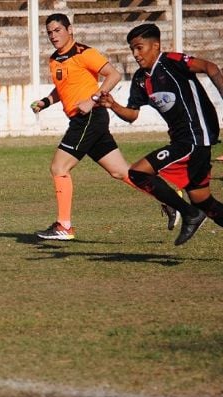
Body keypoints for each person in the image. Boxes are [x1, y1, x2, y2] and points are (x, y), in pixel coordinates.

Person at [29, 13, 178, 240]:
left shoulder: (84, 53)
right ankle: (169, 199)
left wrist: (93, 99)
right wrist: (45, 102)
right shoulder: (54, 60)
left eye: (57, 30)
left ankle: (64, 226)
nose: (53, 35)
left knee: (59, 168)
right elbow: (63, 88)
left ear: (70, 30)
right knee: (120, 171)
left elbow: (113, 75)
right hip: (84, 120)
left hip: (89, 118)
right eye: (49, 32)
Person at [99, 23, 223, 245]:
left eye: (139, 48)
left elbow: (210, 67)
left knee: (137, 172)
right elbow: (132, 115)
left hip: (196, 137)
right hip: (184, 141)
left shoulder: (172, 62)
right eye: (132, 50)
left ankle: (190, 214)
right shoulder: (140, 79)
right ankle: (194, 212)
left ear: (155, 45)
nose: (135, 55)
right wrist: (113, 105)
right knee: (202, 200)